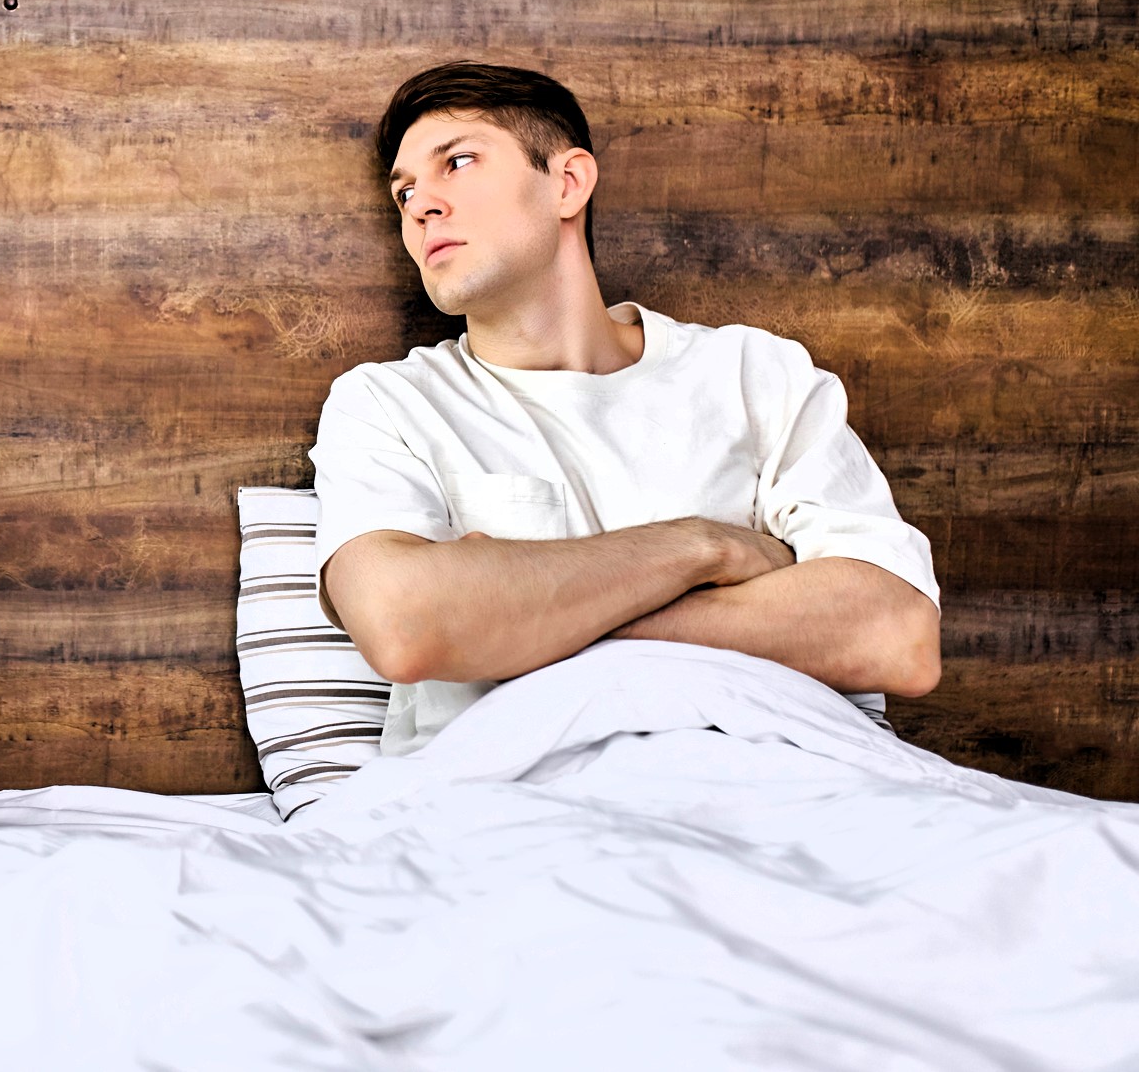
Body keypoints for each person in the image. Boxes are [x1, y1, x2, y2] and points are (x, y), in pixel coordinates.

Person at [312, 62, 941, 757]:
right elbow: (404, 626)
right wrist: (706, 546)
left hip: (780, 789)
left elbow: (898, 637)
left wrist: (511, 614)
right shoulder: (387, 404)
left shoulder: (754, 375)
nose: (422, 203)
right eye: (404, 193)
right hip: (504, 804)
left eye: (457, 163)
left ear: (568, 183)